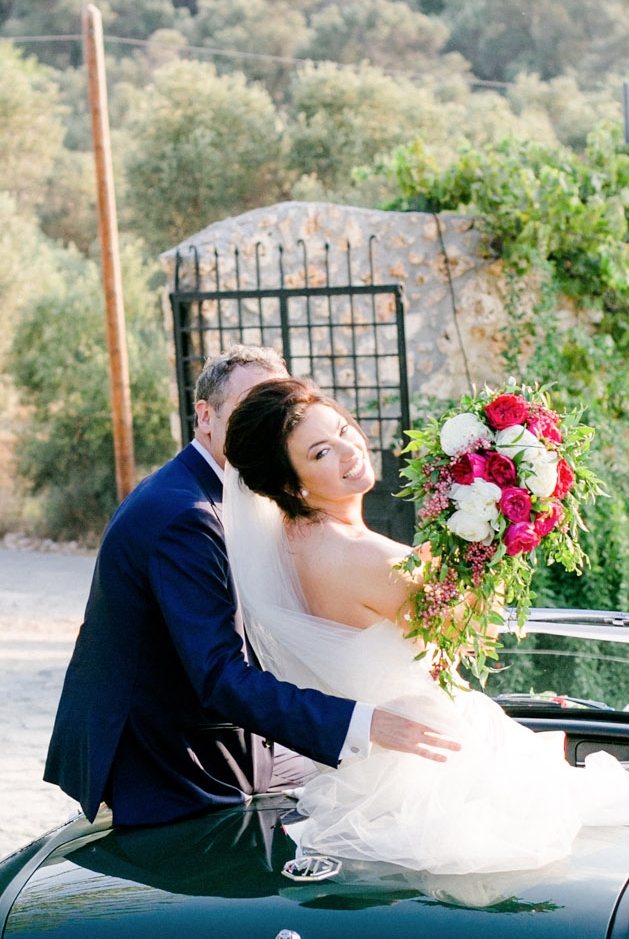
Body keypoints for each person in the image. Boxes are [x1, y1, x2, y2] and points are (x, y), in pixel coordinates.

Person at [222, 376, 629, 874]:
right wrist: (501, 533)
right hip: (432, 768)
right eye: (320, 453)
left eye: (345, 429)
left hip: (372, 767)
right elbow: (469, 638)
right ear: (291, 483)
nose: (350, 450)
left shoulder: (296, 544)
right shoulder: (363, 557)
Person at [43, 345, 460, 827]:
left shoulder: (252, 501)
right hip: (178, 761)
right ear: (205, 417)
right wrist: (363, 721)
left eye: (280, 398)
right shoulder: (186, 515)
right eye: (253, 403)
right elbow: (219, 673)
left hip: (245, 740)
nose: (274, 416)